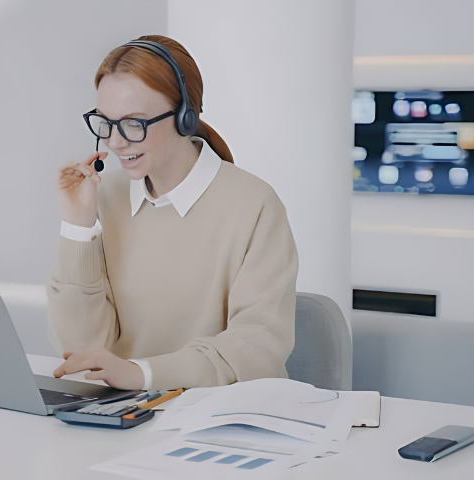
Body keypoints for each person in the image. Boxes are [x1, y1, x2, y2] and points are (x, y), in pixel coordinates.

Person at [47, 35, 298, 391]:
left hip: (223, 421)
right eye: (105, 122)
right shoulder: (105, 196)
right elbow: (82, 351)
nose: (115, 142)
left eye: (134, 123)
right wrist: (78, 224)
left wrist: (142, 374)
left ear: (184, 117)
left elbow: (256, 346)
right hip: (121, 418)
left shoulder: (254, 204)